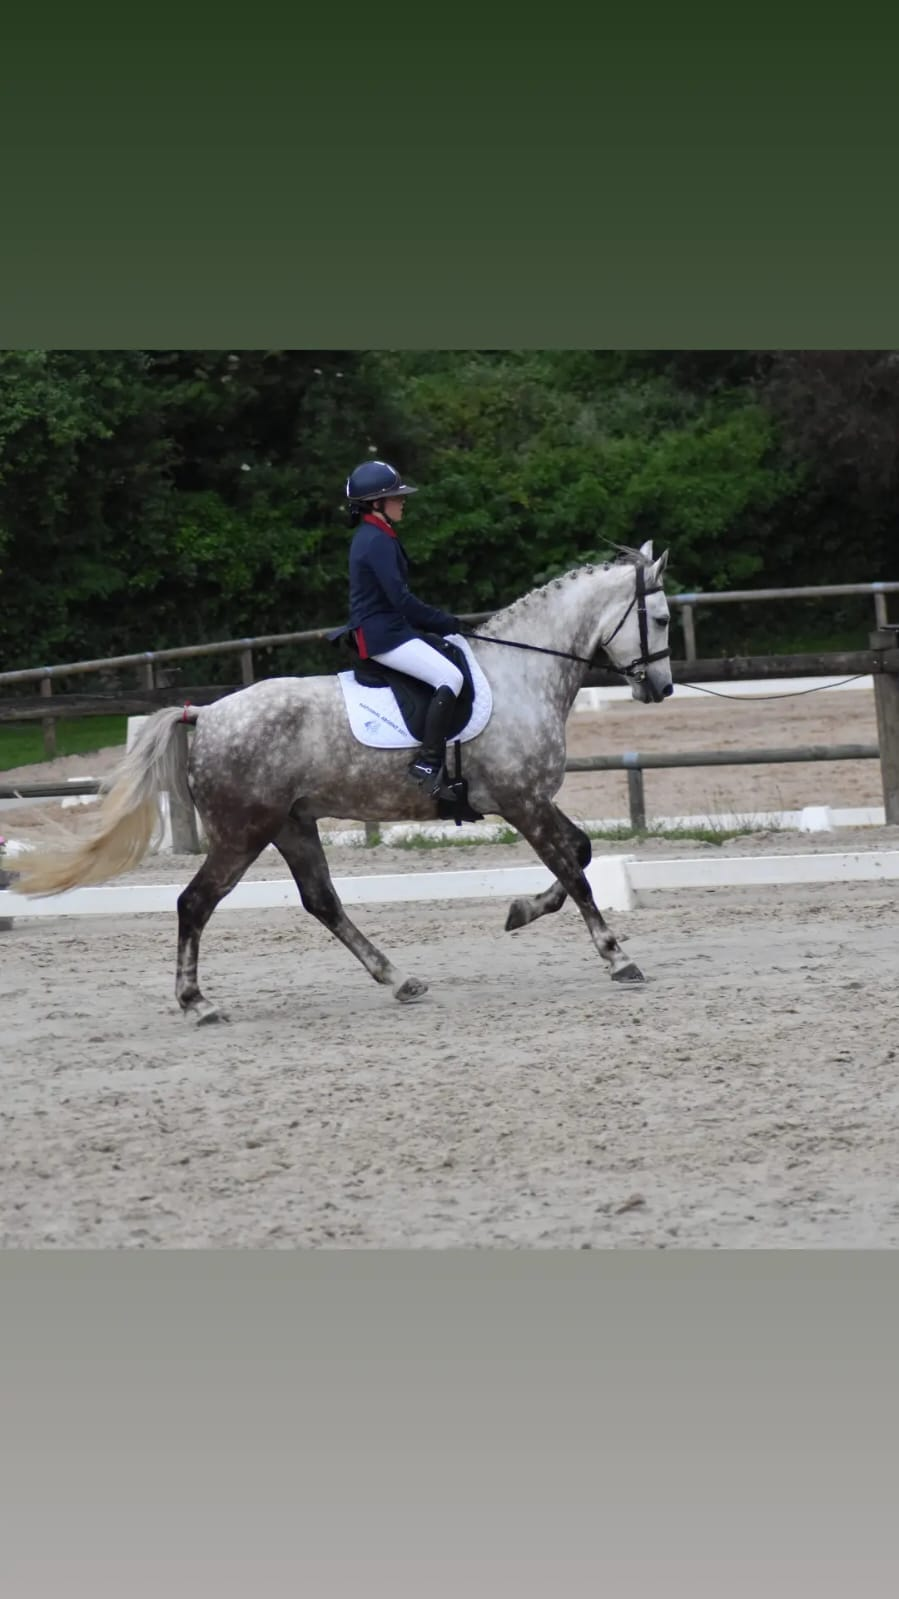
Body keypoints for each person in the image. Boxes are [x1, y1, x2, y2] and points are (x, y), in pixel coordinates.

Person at [343, 460, 464, 793]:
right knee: (450, 677)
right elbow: (402, 600)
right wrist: (444, 622)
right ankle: (428, 762)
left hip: (390, 629)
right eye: (396, 497)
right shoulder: (375, 540)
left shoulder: (376, 534)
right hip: (384, 636)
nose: (402, 501)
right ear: (376, 503)